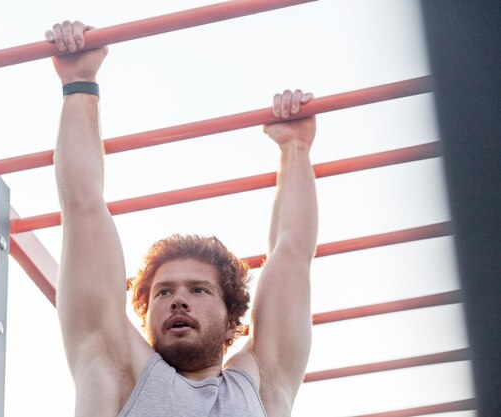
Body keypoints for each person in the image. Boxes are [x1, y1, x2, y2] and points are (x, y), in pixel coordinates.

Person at [46, 20, 317, 417]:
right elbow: (83, 207)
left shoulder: (261, 386)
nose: (178, 302)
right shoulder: (117, 372)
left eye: (199, 291)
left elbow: (292, 253)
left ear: (231, 323)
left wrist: (295, 149)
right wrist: (79, 84)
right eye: (163, 292)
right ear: (148, 315)